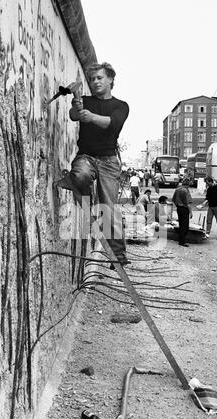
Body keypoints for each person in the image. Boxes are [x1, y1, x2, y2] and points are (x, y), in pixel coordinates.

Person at [58, 62, 130, 266]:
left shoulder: (120, 106)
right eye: (93, 79)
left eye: (100, 78)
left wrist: (90, 116)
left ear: (110, 80)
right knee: (79, 175)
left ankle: (118, 255)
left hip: (108, 161)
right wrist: (76, 106)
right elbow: (74, 116)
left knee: (110, 207)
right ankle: (83, 189)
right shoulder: (86, 101)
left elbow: (112, 123)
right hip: (87, 156)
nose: (96, 82)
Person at [172, 176, 193, 247]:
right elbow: (188, 203)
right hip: (184, 209)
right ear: (188, 184)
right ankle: (182, 241)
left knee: (181, 224)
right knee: (185, 225)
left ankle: (180, 239)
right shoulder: (186, 191)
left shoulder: (177, 189)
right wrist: (191, 212)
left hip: (179, 208)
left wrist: (178, 205)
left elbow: (173, 200)